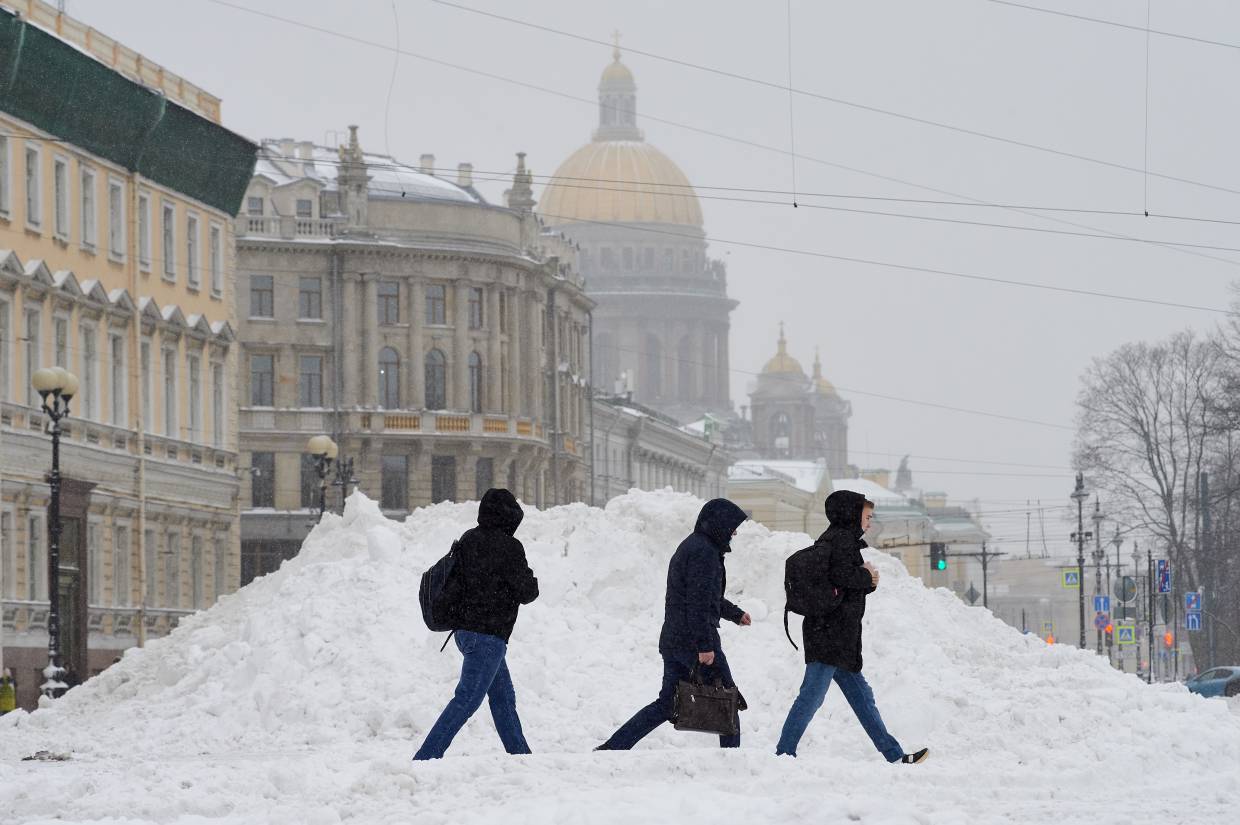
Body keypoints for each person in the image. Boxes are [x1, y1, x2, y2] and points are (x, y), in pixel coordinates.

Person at [775, 490, 928, 764]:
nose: (869, 522)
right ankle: (783, 753)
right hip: (829, 637)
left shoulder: (833, 539)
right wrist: (866, 575)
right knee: (811, 697)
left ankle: (893, 755)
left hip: (836, 637)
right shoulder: (843, 540)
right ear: (852, 513)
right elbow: (842, 576)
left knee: (862, 698)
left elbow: (841, 587)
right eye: (867, 516)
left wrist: (867, 582)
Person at [596, 498, 752, 750]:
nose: (734, 532)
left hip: (675, 640)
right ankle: (733, 759)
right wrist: (704, 645)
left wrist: (735, 613)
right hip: (694, 642)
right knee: (727, 698)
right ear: (718, 524)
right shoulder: (705, 553)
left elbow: (702, 596)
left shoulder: (694, 547)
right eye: (732, 526)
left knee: (667, 704)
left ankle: (613, 747)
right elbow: (698, 602)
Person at [413, 488, 539, 760]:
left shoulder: (469, 539)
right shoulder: (509, 547)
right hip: (488, 636)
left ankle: (520, 754)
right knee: (467, 700)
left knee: (503, 696)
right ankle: (426, 757)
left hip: (465, 633)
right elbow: (528, 592)